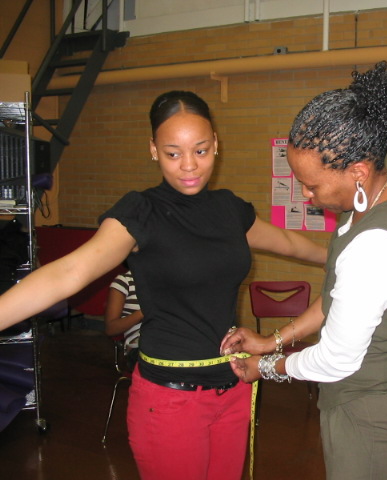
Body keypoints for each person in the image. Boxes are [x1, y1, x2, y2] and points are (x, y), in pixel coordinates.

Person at [0, 90, 327, 480]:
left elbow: (289, 243)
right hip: (170, 399)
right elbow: (67, 273)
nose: (189, 166)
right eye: (173, 153)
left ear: (216, 146)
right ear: (154, 150)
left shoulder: (228, 209)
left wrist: (340, 253)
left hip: (234, 385)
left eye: (201, 151)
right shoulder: (141, 212)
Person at [221, 61, 387, 480]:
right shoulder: (375, 197)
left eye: (313, 185)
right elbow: (339, 294)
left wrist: (265, 368)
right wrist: (273, 340)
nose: (305, 195)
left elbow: (337, 360)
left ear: (357, 171)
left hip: (375, 414)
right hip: (381, 397)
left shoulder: (375, 246)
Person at [104, 269, 142, 370]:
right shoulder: (125, 280)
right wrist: (143, 311)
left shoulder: (173, 278)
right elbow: (110, 329)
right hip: (141, 345)